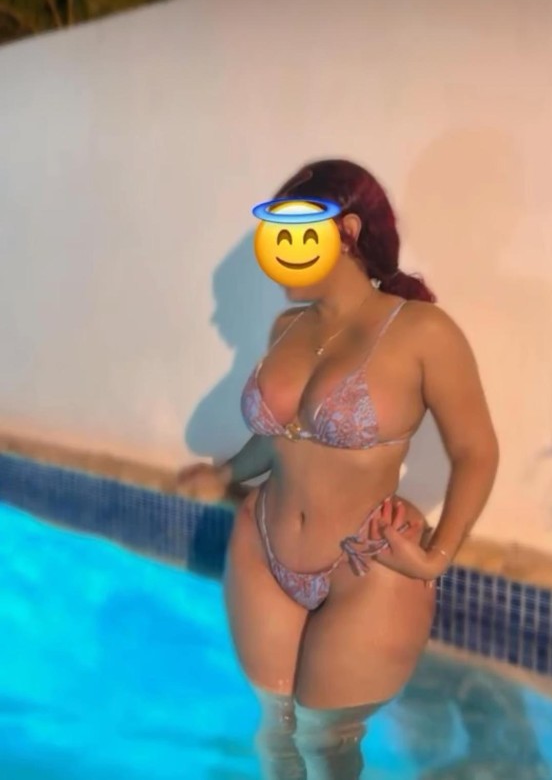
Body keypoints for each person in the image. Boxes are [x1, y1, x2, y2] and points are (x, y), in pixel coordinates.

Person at [177, 159, 499, 779]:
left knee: (327, 742)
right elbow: (279, 437)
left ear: (347, 232)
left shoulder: (423, 332)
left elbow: (476, 452)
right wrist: (226, 475)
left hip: (366, 568)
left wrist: (436, 557)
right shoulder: (288, 326)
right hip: (263, 548)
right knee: (274, 732)